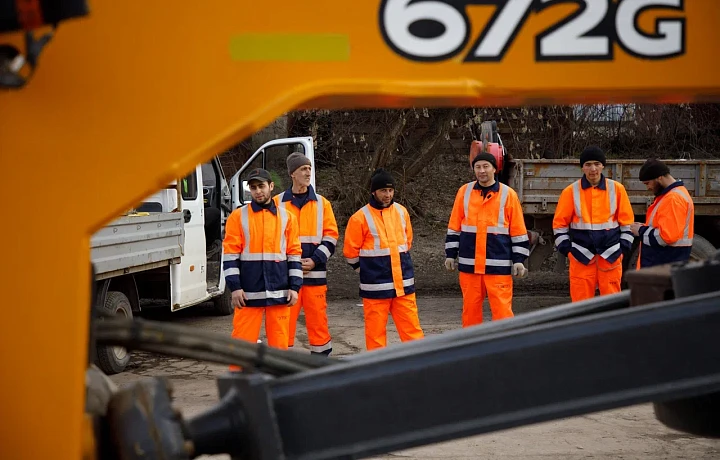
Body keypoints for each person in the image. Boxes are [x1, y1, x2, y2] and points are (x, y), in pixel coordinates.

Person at [222, 168, 302, 369]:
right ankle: (239, 388)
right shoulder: (238, 217)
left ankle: (280, 386)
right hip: (248, 292)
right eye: (253, 187)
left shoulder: (287, 218)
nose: (258, 191)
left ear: (271, 187)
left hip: (280, 290)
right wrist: (235, 288)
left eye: (261, 186)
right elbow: (230, 255)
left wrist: (295, 287)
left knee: (280, 345)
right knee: (242, 344)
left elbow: (294, 255)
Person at [444, 151, 529, 327]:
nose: (481, 171)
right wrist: (450, 254)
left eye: (485, 166)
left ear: (494, 169)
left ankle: (504, 350)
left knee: (502, 313)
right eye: (477, 167)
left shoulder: (508, 194)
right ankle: (472, 350)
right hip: (470, 266)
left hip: (498, 266)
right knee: (470, 312)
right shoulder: (464, 192)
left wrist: (519, 260)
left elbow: (518, 230)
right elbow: (454, 226)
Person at [343, 168, 424, 351]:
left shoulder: (402, 212)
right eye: (383, 191)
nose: (388, 195)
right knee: (376, 335)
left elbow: (407, 242)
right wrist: (366, 272)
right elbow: (350, 252)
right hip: (375, 288)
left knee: (413, 332)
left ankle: (421, 365)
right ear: (374, 192)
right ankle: (378, 371)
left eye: (390, 190)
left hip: (402, 286)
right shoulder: (360, 218)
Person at [274, 153, 339, 356]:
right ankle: (284, 364)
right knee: (284, 322)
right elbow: (272, 239)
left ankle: (320, 363)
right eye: (303, 168)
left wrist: (315, 259)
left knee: (318, 321)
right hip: (286, 276)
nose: (308, 172)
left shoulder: (322, 203)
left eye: (310, 168)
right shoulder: (277, 203)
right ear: (292, 173)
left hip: (315, 275)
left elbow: (331, 237)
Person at [552, 146, 634, 302]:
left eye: (597, 163)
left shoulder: (617, 189)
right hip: (581, 257)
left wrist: (622, 249)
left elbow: (627, 224)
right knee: (580, 307)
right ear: (582, 167)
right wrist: (569, 251)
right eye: (588, 164)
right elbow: (559, 226)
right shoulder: (570, 192)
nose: (593, 169)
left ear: (603, 165)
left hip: (610, 257)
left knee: (611, 306)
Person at [630, 158, 694, 268]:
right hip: (666, 263)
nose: (648, 187)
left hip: (663, 264)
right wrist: (643, 227)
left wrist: (640, 231)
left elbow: (665, 237)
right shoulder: (673, 195)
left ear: (659, 177)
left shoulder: (672, 199)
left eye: (648, 183)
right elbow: (664, 229)